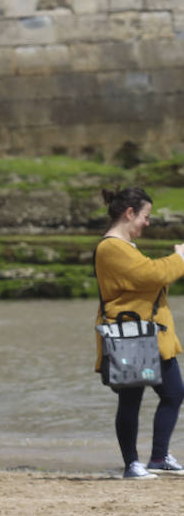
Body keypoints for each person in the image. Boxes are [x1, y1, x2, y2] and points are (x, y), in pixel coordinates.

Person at [93, 186, 184, 480]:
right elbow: (150, 274)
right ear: (129, 213)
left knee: (173, 393)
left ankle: (159, 456)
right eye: (145, 216)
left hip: (151, 335)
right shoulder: (110, 248)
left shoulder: (125, 247)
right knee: (131, 400)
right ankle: (132, 463)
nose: (147, 222)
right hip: (130, 337)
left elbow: (146, 276)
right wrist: (180, 258)